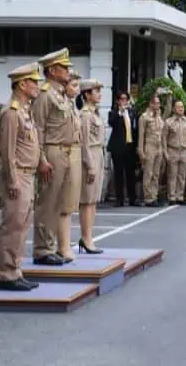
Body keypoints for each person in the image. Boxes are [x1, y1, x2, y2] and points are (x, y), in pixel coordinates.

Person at [0, 62, 45, 292]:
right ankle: (6, 273)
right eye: (33, 82)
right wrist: (13, 179)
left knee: (22, 225)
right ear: (22, 84)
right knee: (13, 225)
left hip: (28, 175)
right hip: (18, 176)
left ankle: (16, 270)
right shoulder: (11, 112)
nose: (37, 86)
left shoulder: (26, 110)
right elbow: (6, 151)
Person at [31, 48, 80, 266]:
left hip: (66, 151)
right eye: (64, 67)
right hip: (52, 150)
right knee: (47, 202)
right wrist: (41, 158)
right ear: (52, 71)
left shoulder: (60, 94)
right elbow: (38, 129)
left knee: (59, 203)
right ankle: (43, 249)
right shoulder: (44, 95)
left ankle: (54, 247)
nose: (68, 71)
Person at [77, 79, 106, 254]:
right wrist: (90, 165)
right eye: (96, 91)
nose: (99, 94)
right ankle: (86, 238)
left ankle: (88, 236)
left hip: (98, 153)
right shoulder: (85, 115)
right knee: (87, 200)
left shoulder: (95, 113)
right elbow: (84, 142)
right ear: (87, 95)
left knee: (93, 200)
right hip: (91, 156)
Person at [107, 91, 139, 207]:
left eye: (126, 99)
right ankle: (119, 198)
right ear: (118, 100)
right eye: (122, 99)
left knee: (131, 173)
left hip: (130, 146)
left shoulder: (132, 112)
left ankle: (132, 198)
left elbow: (135, 127)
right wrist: (120, 111)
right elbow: (111, 122)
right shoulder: (114, 112)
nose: (124, 101)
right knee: (119, 173)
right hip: (118, 147)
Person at [163, 98, 186, 206]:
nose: (181, 109)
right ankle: (172, 196)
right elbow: (164, 139)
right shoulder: (168, 122)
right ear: (174, 109)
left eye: (182, 107)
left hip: (185, 150)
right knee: (172, 175)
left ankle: (180, 196)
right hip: (173, 150)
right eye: (178, 107)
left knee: (182, 176)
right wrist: (165, 152)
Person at [138, 92, 166, 207]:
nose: (158, 105)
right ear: (151, 104)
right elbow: (141, 135)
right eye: (156, 103)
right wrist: (141, 151)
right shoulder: (144, 117)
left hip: (158, 147)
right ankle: (148, 197)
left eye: (159, 103)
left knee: (156, 174)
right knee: (148, 173)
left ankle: (154, 196)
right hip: (149, 146)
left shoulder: (159, 117)